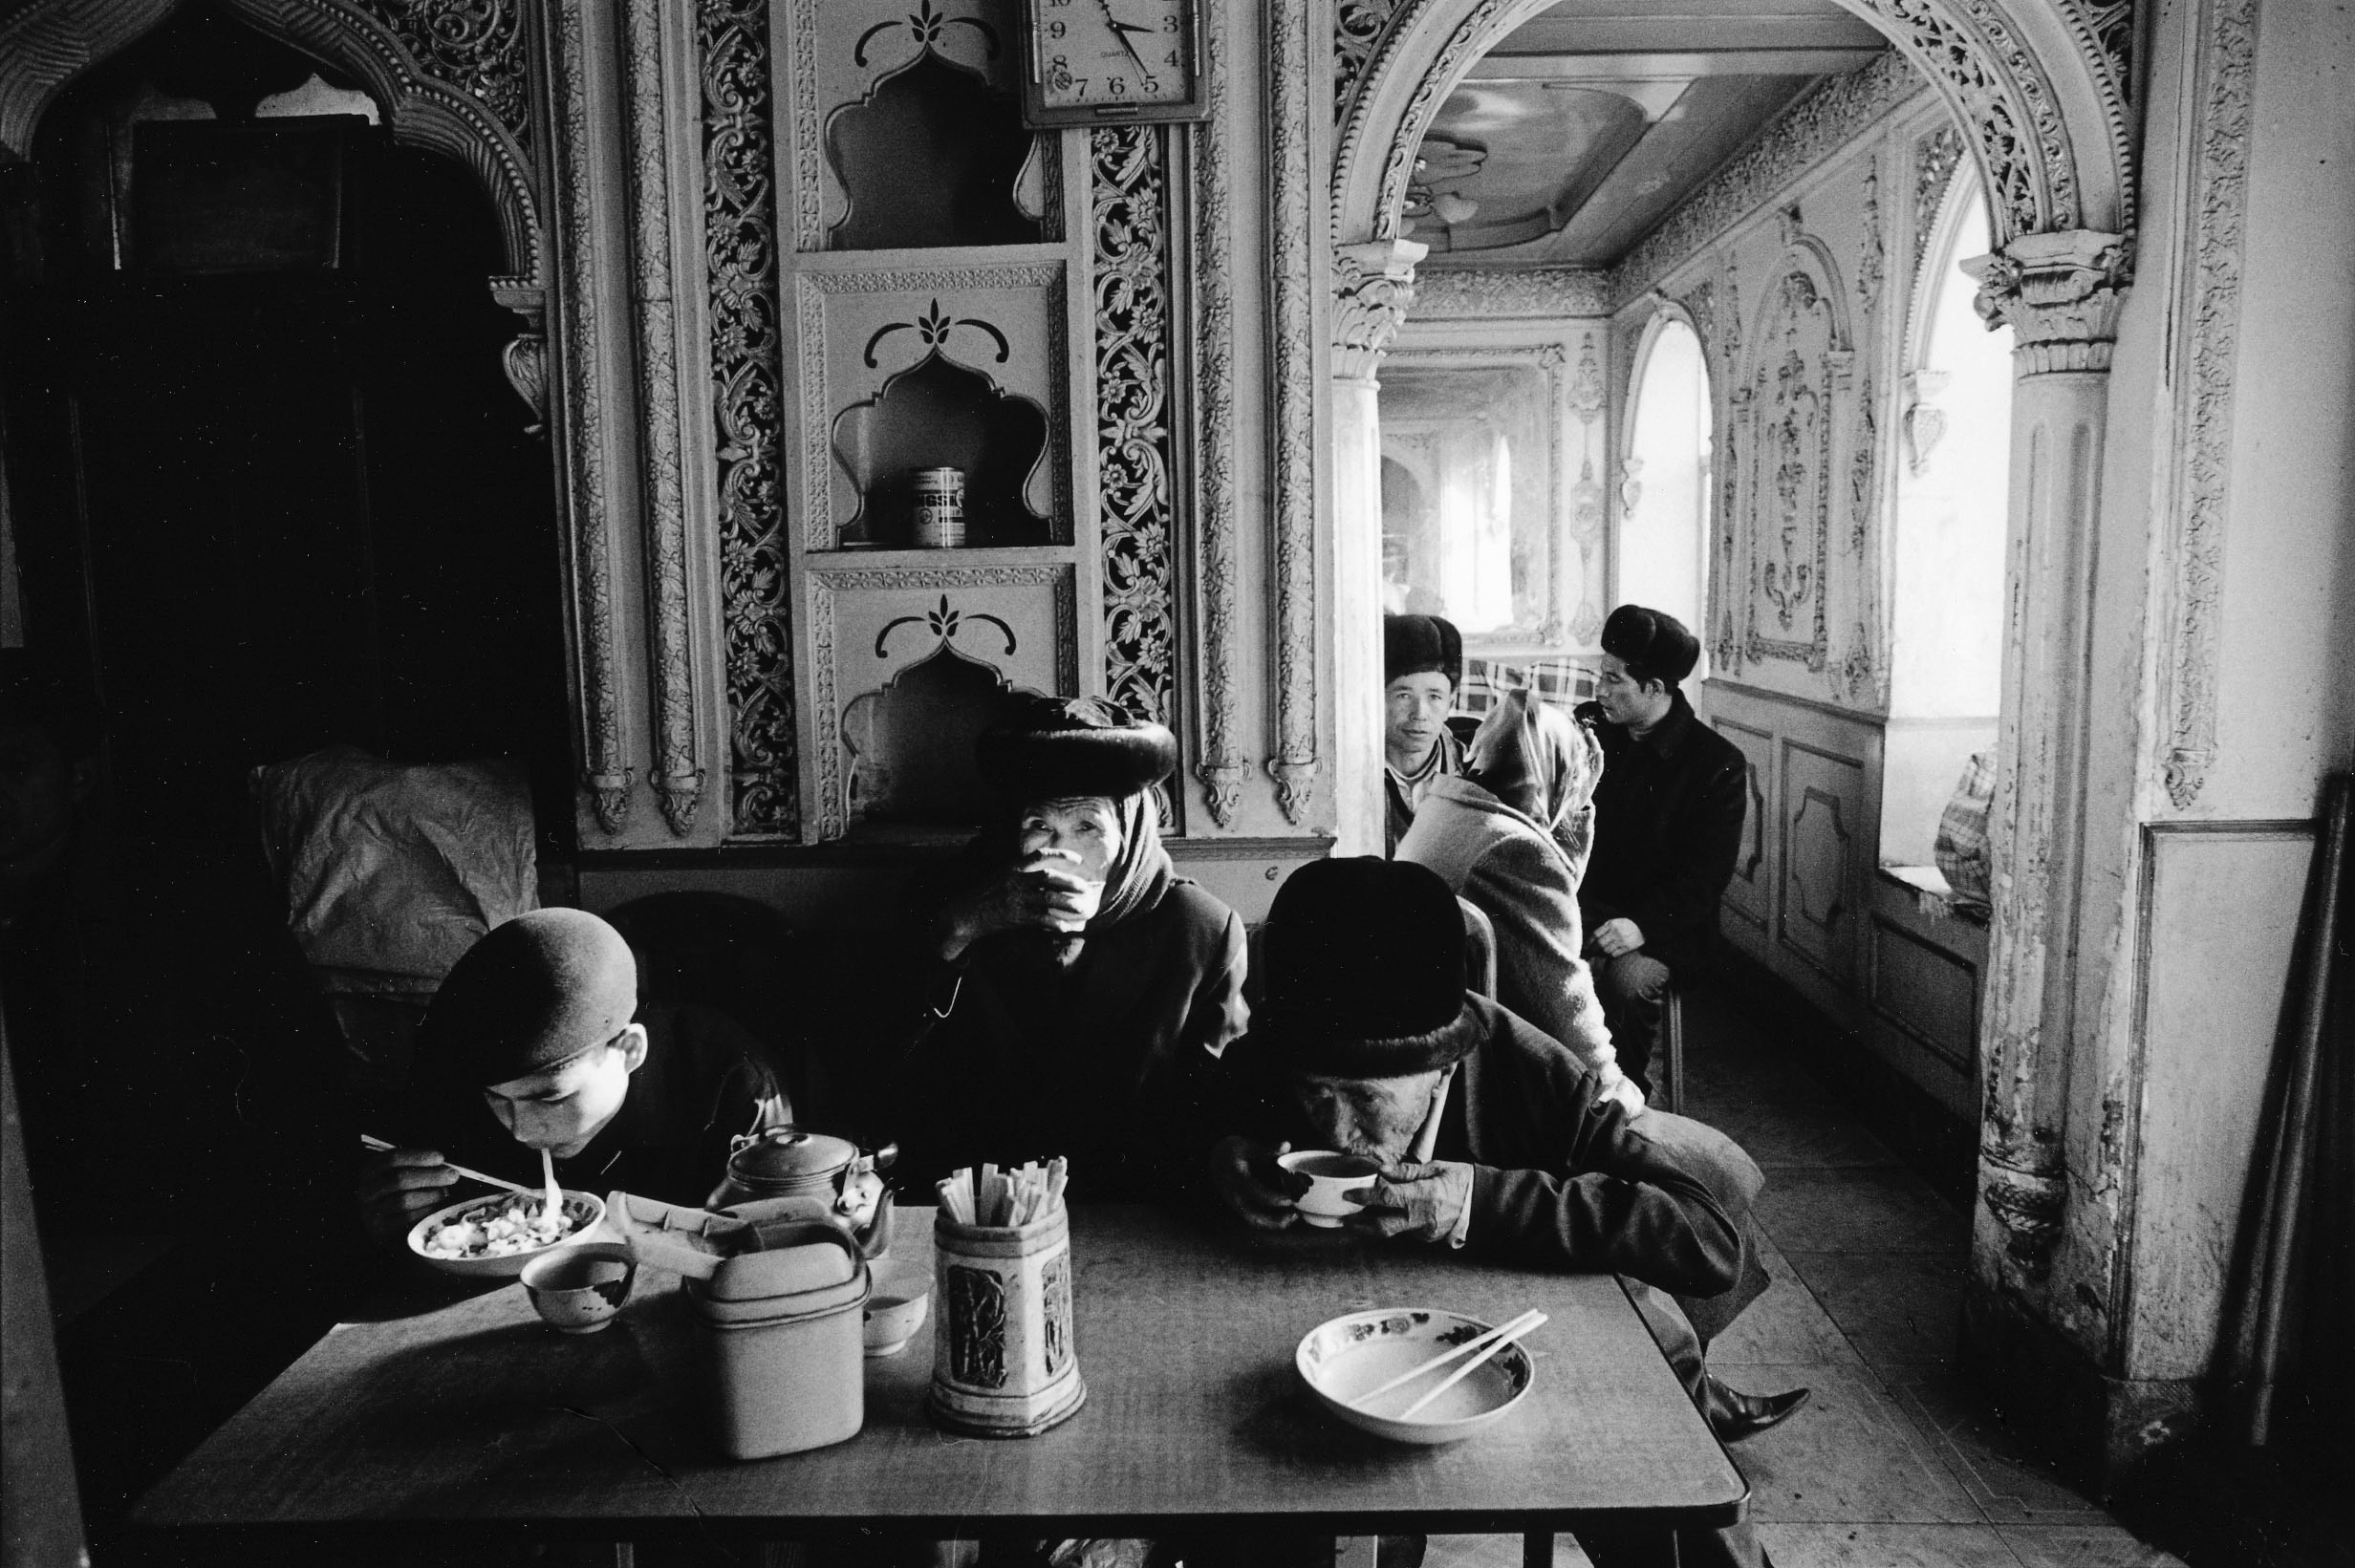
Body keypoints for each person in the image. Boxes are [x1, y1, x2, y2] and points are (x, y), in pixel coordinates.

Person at [1205, 859, 1806, 1566]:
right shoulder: (1277, 1050)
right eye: (1317, 1095)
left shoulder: (1528, 1071)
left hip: (1522, 1340)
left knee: (1658, 1490)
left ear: (1443, 1069)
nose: (1336, 1131)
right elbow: (1155, 1136)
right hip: (1328, 1353)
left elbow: (1707, 1238)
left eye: (1367, 1101)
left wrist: (1482, 1201)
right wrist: (1215, 1159)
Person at [889, 695, 1247, 1200]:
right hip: (979, 1202)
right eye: (1039, 826)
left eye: (1088, 827)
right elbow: (881, 1069)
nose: (1062, 852)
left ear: (1131, 835)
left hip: (1131, 1205)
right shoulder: (949, 903)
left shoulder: (1199, 929)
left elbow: (1217, 1107)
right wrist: (964, 927)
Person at [357, 908, 793, 1249]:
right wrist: (392, 1219)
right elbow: (421, 1230)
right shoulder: (464, 1075)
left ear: (629, 1051)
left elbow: (768, 1246)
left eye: (550, 1098)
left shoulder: (735, 1084)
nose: (521, 1130)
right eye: (498, 1100)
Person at [1395, 687, 1642, 1114]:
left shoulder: (1447, 808)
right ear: (1555, 775)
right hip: (1481, 1089)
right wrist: (1613, 1086)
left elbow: (1554, 902)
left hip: (1439, 1054)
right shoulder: (1515, 851)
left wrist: (1574, 804)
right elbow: (1564, 1003)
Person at [1574, 606, 1747, 1096]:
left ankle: (1622, 1107)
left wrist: (1641, 926)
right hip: (1589, 909)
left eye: (1614, 681)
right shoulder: (1591, 730)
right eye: (1600, 676)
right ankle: (1560, 1099)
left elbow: (1704, 878)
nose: (1599, 691)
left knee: (1626, 986)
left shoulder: (1716, 764)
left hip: (1664, 928)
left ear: (1654, 689)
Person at [1382, 612, 1468, 854]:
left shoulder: (1474, 773)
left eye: (1434, 697)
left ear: (1450, 704)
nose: (1419, 713)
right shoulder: (1350, 776)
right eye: (1403, 696)